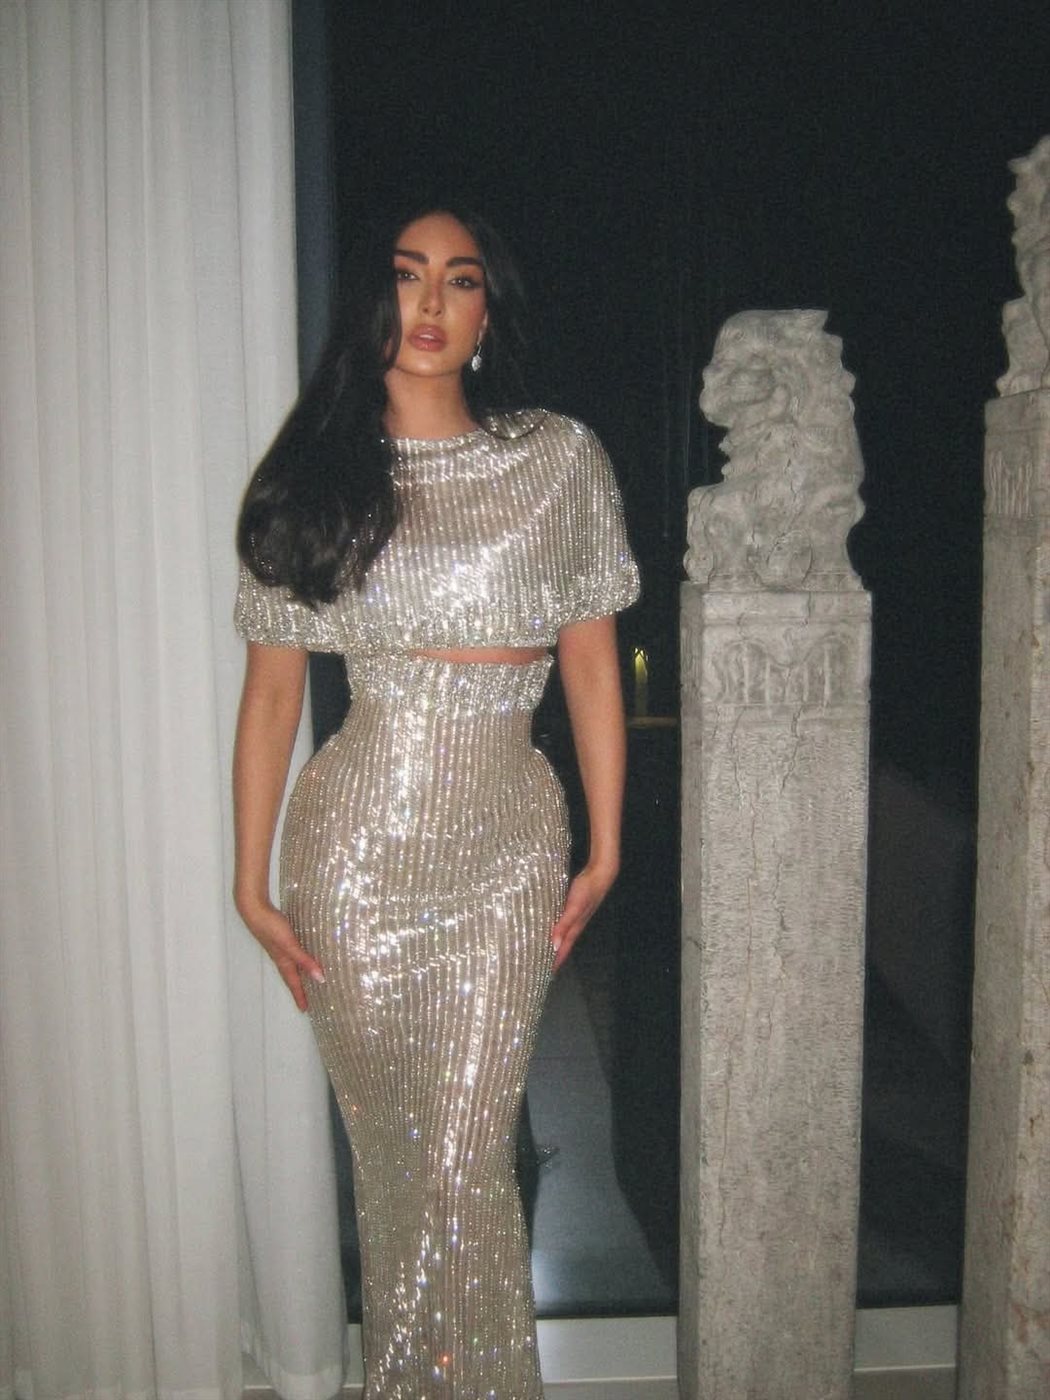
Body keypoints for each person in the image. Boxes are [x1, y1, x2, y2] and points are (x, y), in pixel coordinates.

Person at [232, 207, 639, 1399]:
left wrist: (607, 844)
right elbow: (272, 697)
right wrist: (248, 884)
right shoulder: (318, 478)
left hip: (508, 844)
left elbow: (592, 665)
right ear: (376, 301)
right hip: (355, 850)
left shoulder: (557, 459)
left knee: (467, 1159)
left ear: (486, 313)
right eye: (409, 276)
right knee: (405, 1170)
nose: (430, 302)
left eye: (460, 281)